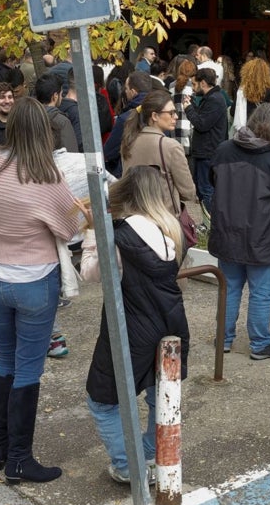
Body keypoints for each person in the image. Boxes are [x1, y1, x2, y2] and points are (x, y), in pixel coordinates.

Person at [0, 98, 81, 483]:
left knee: (6, 359)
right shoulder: (48, 176)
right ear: (45, 131)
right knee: (29, 368)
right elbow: (69, 229)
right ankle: (19, 458)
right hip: (34, 280)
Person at [81, 166, 189, 485]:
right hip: (171, 325)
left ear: (127, 193)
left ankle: (128, 466)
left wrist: (91, 232)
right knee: (161, 398)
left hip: (130, 326)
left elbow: (90, 273)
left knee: (101, 400)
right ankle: (144, 453)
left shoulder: (118, 236)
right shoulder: (171, 230)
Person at [210, 103, 270, 360]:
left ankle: (223, 339)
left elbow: (212, 183)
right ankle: (259, 343)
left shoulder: (224, 150)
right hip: (264, 236)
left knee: (229, 288)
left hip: (227, 231)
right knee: (261, 293)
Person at [119, 89, 196, 215]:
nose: (176, 116)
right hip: (165, 220)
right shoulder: (171, 147)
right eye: (171, 113)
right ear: (154, 116)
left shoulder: (129, 142)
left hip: (134, 219)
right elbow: (188, 192)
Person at [185, 66, 228, 211]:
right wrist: (192, 105)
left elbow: (202, 124)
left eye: (194, 84)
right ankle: (207, 223)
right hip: (204, 151)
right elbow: (203, 118)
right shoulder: (210, 98)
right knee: (201, 188)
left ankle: (210, 224)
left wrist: (188, 109)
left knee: (206, 189)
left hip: (208, 152)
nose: (193, 87)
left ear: (203, 83)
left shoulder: (215, 99)